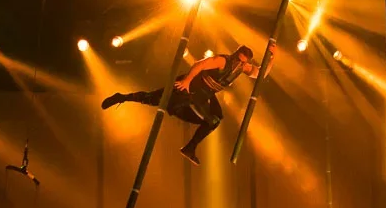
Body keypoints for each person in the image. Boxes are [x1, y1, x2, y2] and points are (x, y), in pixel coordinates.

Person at [101, 41, 276, 165]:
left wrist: (272, 58)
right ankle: (121, 97)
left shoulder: (242, 68)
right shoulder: (223, 60)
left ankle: (190, 147)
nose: (240, 64)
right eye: (239, 59)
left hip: (205, 94)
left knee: (215, 119)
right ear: (236, 54)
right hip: (191, 87)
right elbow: (200, 64)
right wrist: (186, 81)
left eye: (243, 62)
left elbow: (260, 74)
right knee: (152, 99)